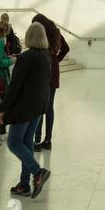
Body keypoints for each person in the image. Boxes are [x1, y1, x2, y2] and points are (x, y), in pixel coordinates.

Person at [0, 22, 52, 199]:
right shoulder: (46, 56)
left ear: (29, 37)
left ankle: (38, 172)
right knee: (27, 143)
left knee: (14, 143)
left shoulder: (26, 57)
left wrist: (3, 108)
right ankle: (24, 184)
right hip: (38, 107)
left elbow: (14, 86)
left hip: (24, 107)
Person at [33, 13, 69, 148]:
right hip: (53, 71)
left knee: (40, 107)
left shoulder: (42, 34)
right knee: (49, 107)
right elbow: (66, 48)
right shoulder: (56, 32)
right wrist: (56, 61)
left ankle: (36, 141)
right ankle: (48, 141)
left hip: (42, 72)